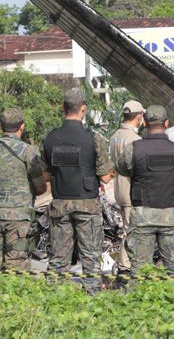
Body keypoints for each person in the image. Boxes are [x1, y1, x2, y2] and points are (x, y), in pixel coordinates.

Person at [41, 88, 113, 292]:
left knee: (58, 258)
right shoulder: (94, 138)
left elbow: (45, 175)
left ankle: (55, 298)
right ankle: (91, 299)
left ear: (63, 107)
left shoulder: (50, 138)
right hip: (87, 204)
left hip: (60, 203)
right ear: (84, 109)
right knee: (90, 257)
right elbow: (106, 177)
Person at [116, 105, 174, 276]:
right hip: (171, 214)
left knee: (139, 270)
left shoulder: (134, 148)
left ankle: (138, 301)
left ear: (145, 123)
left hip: (142, 215)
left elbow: (122, 169)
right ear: (167, 123)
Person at [0, 108, 47, 269]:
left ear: (0, 126)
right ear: (22, 126)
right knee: (16, 267)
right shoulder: (28, 151)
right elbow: (41, 188)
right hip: (19, 219)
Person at [109, 100, 144, 273]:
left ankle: (125, 264)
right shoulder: (134, 139)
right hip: (131, 190)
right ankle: (125, 266)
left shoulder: (115, 135)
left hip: (119, 189)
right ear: (139, 117)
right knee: (131, 229)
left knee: (126, 227)